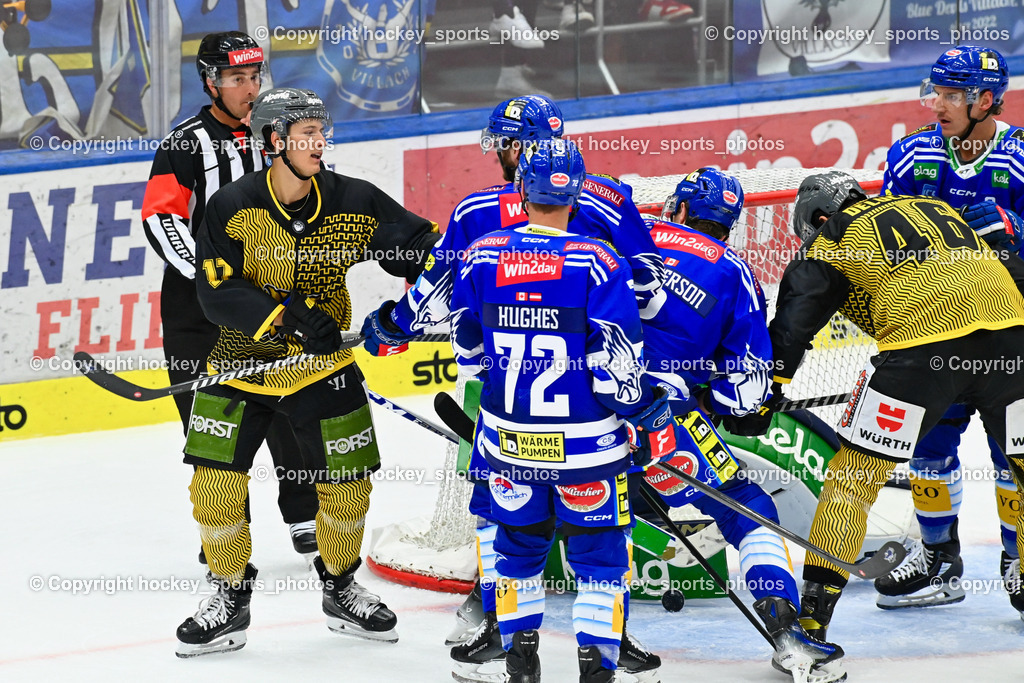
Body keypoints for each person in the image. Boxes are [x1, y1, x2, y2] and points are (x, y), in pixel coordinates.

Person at [360, 94, 666, 681]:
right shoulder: (607, 220)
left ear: (516, 156)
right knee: (600, 554)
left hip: (506, 410)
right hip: (591, 416)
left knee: (508, 532)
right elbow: (648, 298)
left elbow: (439, 305)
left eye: (501, 144)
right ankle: (601, 650)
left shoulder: (479, 224)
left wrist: (391, 327)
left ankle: (509, 643)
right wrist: (640, 401)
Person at [174, 87, 439, 657]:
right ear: (274, 142)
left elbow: (420, 246)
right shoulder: (232, 205)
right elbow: (216, 294)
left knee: (347, 488)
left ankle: (341, 588)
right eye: (306, 135)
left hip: (325, 367)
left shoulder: (352, 199)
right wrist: (288, 318)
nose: (320, 144)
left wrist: (415, 304)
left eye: (323, 133)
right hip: (239, 366)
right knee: (214, 485)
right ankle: (228, 597)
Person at [767, 171, 1024, 660]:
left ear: (820, 217)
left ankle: (810, 626)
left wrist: (771, 385)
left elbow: (800, 306)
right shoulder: (939, 210)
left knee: (851, 484)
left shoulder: (838, 231)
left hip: (922, 352)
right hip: (1015, 342)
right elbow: (1013, 270)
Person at [448, 138, 677, 683]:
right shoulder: (598, 261)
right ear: (576, 194)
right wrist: (646, 408)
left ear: (521, 188)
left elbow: (467, 345)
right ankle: (597, 671)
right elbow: (617, 367)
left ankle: (520, 667)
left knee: (517, 553)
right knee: (600, 561)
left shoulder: (482, 254)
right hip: (588, 450)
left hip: (507, 444)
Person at [639, 168, 845, 682]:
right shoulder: (733, 272)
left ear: (678, 208)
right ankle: (785, 630)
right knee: (747, 506)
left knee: (558, 506)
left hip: (579, 416)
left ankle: (489, 614)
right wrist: (733, 402)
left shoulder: (627, 238)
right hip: (666, 425)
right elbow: (746, 390)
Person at [141, 32, 320, 565]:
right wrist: (208, 279)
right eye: (236, 78)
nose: (249, 87)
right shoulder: (185, 143)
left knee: (290, 406)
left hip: (270, 299)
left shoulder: (279, 136)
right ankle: (224, 533)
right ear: (210, 82)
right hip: (197, 310)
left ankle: (306, 516)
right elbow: (161, 217)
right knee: (212, 425)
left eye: (254, 76)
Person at [877, 44, 1024, 609]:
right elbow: (886, 237)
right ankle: (940, 562)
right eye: (935, 91)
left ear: (985, 101)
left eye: (952, 94)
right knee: (928, 449)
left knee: (1011, 454)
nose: (937, 103)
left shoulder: (1020, 158)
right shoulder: (910, 156)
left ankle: (1017, 561)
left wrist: (1014, 227)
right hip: (932, 331)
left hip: (1007, 340)